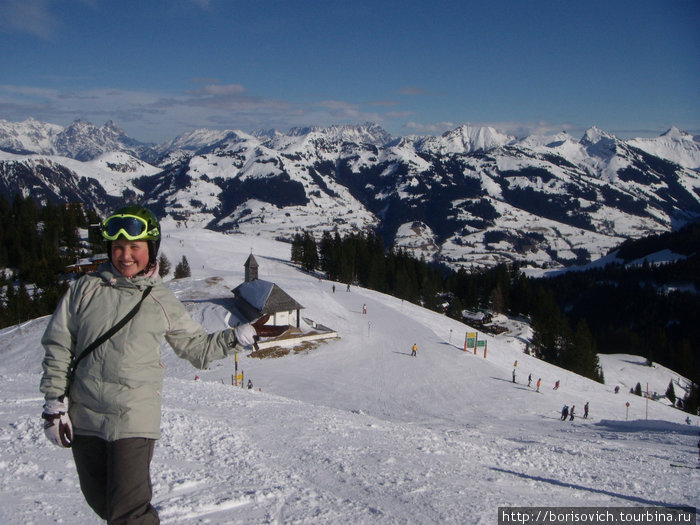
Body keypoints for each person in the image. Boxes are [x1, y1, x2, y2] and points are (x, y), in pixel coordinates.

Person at [39, 205, 269, 524]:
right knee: (103, 504)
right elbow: (59, 345)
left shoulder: (162, 301)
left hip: (133, 418)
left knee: (128, 513)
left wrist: (237, 338)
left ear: (152, 250)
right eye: (118, 247)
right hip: (85, 416)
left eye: (135, 247)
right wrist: (54, 403)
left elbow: (197, 348)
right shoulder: (83, 290)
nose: (126, 255)